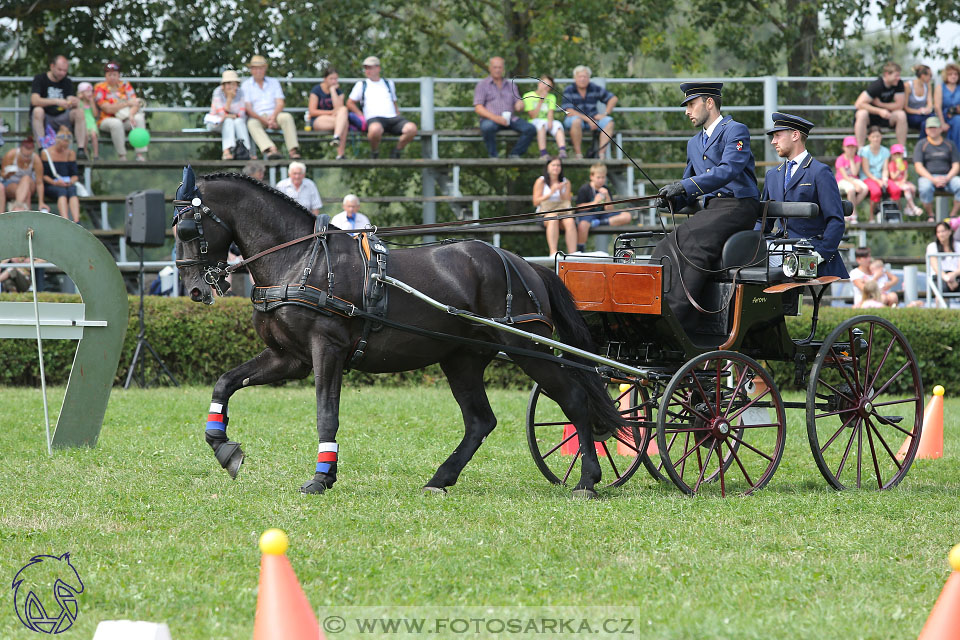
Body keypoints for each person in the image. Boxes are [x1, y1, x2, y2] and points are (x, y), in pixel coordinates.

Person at [655, 82, 760, 332]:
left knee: (690, 240)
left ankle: (679, 316)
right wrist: (672, 198)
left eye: (691, 104)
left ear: (709, 103)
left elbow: (728, 170)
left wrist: (684, 186)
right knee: (664, 245)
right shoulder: (694, 143)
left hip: (738, 206)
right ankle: (660, 308)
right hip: (712, 209)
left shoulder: (735, 131)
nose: (687, 111)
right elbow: (690, 185)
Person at [760, 113, 847, 278]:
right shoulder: (772, 175)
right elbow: (763, 220)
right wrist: (752, 244)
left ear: (795, 135)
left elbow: (836, 220)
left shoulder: (819, 172)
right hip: (778, 250)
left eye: (778, 135)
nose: (773, 141)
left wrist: (819, 254)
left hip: (808, 249)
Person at [347, 56, 418, 159]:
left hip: (392, 118)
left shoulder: (389, 83)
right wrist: (361, 115)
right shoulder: (361, 85)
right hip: (374, 118)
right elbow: (350, 103)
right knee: (375, 130)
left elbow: (394, 102)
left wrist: (397, 113)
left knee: (412, 128)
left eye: (370, 67)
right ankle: (374, 152)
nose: (368, 70)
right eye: (366, 68)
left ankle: (397, 151)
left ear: (378, 68)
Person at [472, 56, 535, 159]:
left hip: (510, 118)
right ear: (490, 68)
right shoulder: (482, 85)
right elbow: (478, 108)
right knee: (487, 128)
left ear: (503, 69)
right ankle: (493, 156)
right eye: (495, 67)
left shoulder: (511, 85)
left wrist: (520, 104)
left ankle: (515, 154)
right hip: (491, 119)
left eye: (500, 67)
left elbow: (518, 101)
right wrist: (496, 118)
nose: (497, 70)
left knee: (530, 129)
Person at [241, 55, 300, 160]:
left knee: (287, 117)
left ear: (265, 69)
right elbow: (248, 109)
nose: (258, 71)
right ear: (251, 70)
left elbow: (280, 103)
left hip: (275, 114)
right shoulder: (246, 85)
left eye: (261, 68)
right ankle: (270, 149)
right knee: (251, 123)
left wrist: (273, 117)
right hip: (258, 116)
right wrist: (265, 121)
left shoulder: (274, 82)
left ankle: (293, 150)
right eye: (256, 68)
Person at [30, 54, 88, 160]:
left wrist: (74, 101)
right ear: (52, 66)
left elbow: (70, 98)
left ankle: (80, 149)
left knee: (79, 111)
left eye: (65, 71)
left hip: (62, 118)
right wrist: (56, 101)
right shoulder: (40, 78)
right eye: (60, 70)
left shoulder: (67, 82)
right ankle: (42, 149)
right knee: (37, 111)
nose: (62, 73)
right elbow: (34, 100)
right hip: (45, 117)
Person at [94, 61, 148, 161]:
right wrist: (127, 103)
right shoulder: (100, 87)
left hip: (126, 118)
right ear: (105, 76)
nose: (112, 77)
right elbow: (107, 108)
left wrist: (131, 114)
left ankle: (140, 154)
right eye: (109, 74)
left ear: (119, 75)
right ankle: (122, 156)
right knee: (116, 123)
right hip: (106, 119)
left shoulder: (125, 85)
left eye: (114, 74)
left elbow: (136, 103)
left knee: (139, 118)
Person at [562, 66, 618, 159]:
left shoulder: (594, 88)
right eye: (580, 76)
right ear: (575, 78)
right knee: (576, 121)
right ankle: (578, 154)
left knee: (609, 122)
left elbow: (613, 98)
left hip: (594, 119)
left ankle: (601, 154)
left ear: (589, 78)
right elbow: (569, 111)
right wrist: (589, 120)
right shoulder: (569, 90)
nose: (582, 79)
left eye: (585, 77)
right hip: (575, 120)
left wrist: (605, 114)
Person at [575, 162, 631, 251]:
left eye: (603, 177)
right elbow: (579, 208)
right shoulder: (585, 188)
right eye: (598, 177)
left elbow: (610, 210)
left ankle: (598, 223)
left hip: (602, 215)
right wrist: (594, 202)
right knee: (583, 225)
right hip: (588, 215)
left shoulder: (606, 189)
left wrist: (607, 197)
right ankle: (580, 249)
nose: (601, 180)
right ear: (592, 177)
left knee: (627, 216)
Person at [913, 116, 960, 221]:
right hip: (928, 177)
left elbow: (956, 165)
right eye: (930, 128)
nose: (932, 130)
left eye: (935, 127)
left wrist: (947, 178)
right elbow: (918, 166)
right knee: (925, 187)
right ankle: (931, 215)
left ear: (940, 129)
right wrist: (932, 179)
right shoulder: (921, 144)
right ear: (926, 130)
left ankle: (953, 215)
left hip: (948, 177)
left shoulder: (949, 144)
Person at [309, 67, 359, 161]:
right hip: (319, 120)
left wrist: (333, 91)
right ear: (325, 79)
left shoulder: (339, 92)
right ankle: (340, 153)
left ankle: (336, 138)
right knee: (344, 122)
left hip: (335, 120)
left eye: (336, 79)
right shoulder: (316, 90)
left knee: (344, 111)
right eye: (331, 79)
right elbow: (312, 111)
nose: (334, 81)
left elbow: (339, 109)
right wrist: (331, 112)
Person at [853, 61, 907, 147]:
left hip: (886, 116)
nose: (898, 78)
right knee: (861, 114)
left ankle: (901, 149)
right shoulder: (877, 85)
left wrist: (881, 105)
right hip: (870, 117)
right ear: (887, 74)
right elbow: (859, 104)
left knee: (901, 115)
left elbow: (899, 105)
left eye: (899, 75)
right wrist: (879, 111)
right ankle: (861, 149)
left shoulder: (899, 84)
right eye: (896, 76)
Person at [207, 70, 253, 161]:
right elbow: (222, 115)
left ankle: (246, 150)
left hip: (235, 122)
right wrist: (229, 99)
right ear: (223, 85)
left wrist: (230, 115)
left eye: (234, 83)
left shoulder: (240, 93)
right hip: (216, 123)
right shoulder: (217, 92)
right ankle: (226, 151)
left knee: (238, 121)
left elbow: (241, 114)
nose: (231, 86)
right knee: (229, 121)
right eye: (228, 83)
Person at [532, 156, 574, 255]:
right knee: (553, 217)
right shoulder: (541, 181)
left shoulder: (566, 182)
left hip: (562, 212)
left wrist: (560, 191)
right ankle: (553, 252)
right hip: (546, 214)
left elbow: (567, 201)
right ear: (548, 167)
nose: (556, 167)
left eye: (558, 165)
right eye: (553, 165)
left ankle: (573, 253)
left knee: (570, 221)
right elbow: (536, 202)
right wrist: (551, 193)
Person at [40, 125, 80, 223]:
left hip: (66, 183)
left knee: (72, 190)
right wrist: (55, 183)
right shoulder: (46, 153)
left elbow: (74, 174)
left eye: (65, 146)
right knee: (61, 191)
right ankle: (65, 220)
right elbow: (43, 175)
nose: (63, 149)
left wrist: (71, 181)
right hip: (52, 184)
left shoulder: (70, 153)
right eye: (62, 146)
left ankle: (76, 220)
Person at [522, 75, 567, 158]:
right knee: (541, 124)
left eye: (548, 86)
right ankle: (543, 153)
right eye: (544, 84)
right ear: (539, 83)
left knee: (558, 125)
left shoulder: (551, 97)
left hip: (547, 121)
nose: (545, 87)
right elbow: (532, 116)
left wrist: (550, 122)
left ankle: (562, 150)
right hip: (534, 121)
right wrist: (541, 101)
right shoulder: (528, 96)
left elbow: (551, 112)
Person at [859, 126, 896, 222]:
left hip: (881, 178)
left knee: (895, 190)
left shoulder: (885, 151)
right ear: (869, 137)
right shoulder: (865, 151)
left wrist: (884, 179)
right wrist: (878, 181)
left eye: (878, 136)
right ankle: (871, 217)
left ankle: (893, 214)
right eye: (873, 136)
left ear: (881, 137)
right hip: (868, 177)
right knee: (876, 191)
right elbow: (866, 170)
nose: (876, 139)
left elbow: (885, 169)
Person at [2, 135, 46, 212]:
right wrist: (8, 174)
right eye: (24, 156)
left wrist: (41, 202)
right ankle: (24, 213)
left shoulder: (36, 159)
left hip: (29, 184)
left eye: (28, 156)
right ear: (21, 148)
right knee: (26, 193)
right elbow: (2, 174)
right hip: (11, 184)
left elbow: (39, 183)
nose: (26, 158)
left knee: (26, 178)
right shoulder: (11, 155)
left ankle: (16, 208)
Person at [835, 135, 868, 221]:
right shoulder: (840, 159)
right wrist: (855, 185)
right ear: (844, 148)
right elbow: (845, 176)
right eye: (848, 147)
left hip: (853, 179)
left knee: (865, 189)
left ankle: (849, 209)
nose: (851, 149)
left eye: (853, 147)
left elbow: (854, 173)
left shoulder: (857, 159)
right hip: (842, 180)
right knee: (851, 189)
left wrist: (851, 160)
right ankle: (853, 213)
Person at [887, 143, 921, 216]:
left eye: (899, 154)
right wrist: (898, 170)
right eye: (895, 155)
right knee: (907, 188)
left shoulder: (904, 163)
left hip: (902, 181)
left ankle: (908, 207)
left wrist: (904, 180)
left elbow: (905, 174)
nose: (897, 156)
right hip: (895, 182)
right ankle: (913, 207)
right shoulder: (891, 164)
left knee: (913, 188)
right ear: (892, 156)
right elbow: (893, 177)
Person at [934, 62, 960, 153]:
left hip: (957, 116)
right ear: (946, 75)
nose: (953, 76)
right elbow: (937, 106)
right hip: (943, 116)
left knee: (957, 121)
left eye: (956, 74)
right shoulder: (940, 88)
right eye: (950, 74)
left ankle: (956, 153)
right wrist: (942, 123)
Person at [927, 221, 960, 293]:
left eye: (943, 231)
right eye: (938, 232)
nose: (941, 234)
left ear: (950, 231)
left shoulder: (958, 246)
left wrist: (953, 276)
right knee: (942, 288)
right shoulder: (932, 247)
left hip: (956, 275)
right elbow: (935, 268)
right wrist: (947, 278)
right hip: (939, 276)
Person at [905, 64, 934, 138]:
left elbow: (930, 103)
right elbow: (905, 107)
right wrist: (918, 111)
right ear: (923, 75)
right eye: (930, 75)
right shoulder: (908, 86)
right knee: (926, 123)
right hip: (912, 115)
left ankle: (924, 145)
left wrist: (927, 109)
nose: (931, 77)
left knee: (931, 121)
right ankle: (923, 146)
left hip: (924, 115)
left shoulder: (928, 85)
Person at [76, 82, 99, 160]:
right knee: (84, 135)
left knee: (93, 135)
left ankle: (96, 155)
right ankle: (84, 153)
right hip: (83, 122)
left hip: (91, 122)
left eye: (90, 92)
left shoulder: (91, 103)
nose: (89, 94)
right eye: (87, 92)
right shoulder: (80, 103)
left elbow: (95, 115)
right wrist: (79, 99)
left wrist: (92, 102)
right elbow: (78, 110)